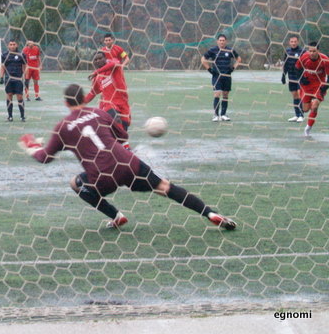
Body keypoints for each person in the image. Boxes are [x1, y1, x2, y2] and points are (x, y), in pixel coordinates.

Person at [18, 84, 236, 230]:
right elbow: (123, 135)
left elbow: (45, 157)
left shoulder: (63, 127)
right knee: (164, 187)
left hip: (102, 177)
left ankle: (116, 216)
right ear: (84, 98)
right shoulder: (99, 112)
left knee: (75, 183)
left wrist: (32, 147)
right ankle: (210, 214)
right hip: (127, 163)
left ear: (66, 103)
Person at [84, 51, 131, 133]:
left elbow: (114, 63)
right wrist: (80, 103)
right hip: (108, 104)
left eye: (100, 58)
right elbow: (92, 93)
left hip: (123, 103)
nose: (98, 61)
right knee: (116, 120)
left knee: (124, 128)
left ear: (105, 58)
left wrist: (96, 72)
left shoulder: (114, 63)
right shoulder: (97, 78)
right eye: (95, 60)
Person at [201, 34, 241, 122]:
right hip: (217, 76)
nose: (222, 42)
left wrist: (233, 68)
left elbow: (239, 59)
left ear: (226, 41)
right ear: (217, 41)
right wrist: (210, 69)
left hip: (227, 76)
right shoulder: (213, 50)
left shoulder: (230, 50)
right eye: (220, 40)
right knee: (217, 93)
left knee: (225, 95)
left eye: (223, 40)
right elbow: (203, 59)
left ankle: (223, 114)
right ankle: (215, 115)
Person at [295, 41, 329, 137]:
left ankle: (307, 129)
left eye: (314, 51)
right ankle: (310, 102)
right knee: (305, 109)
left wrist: (325, 87)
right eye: (310, 51)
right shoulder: (304, 57)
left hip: (319, 85)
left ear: (318, 51)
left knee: (314, 107)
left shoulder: (325, 60)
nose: (312, 53)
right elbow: (297, 68)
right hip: (307, 85)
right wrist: (301, 79)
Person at [0, 40, 27, 122]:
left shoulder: (21, 55)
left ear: (16, 45)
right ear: (8, 46)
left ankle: (22, 116)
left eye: (14, 44)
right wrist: (1, 77)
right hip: (8, 79)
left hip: (18, 78)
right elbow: (3, 66)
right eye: (11, 44)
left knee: (20, 96)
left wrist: (26, 78)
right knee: (9, 96)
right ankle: (10, 116)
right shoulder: (4, 55)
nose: (12, 46)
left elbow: (24, 66)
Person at [281, 35, 305, 122]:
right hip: (291, 76)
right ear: (289, 42)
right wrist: (283, 75)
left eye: (295, 41)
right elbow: (285, 64)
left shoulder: (302, 51)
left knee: (299, 94)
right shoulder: (287, 51)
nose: (293, 43)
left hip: (300, 76)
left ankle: (301, 115)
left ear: (298, 42)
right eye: (292, 41)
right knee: (295, 95)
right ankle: (296, 115)